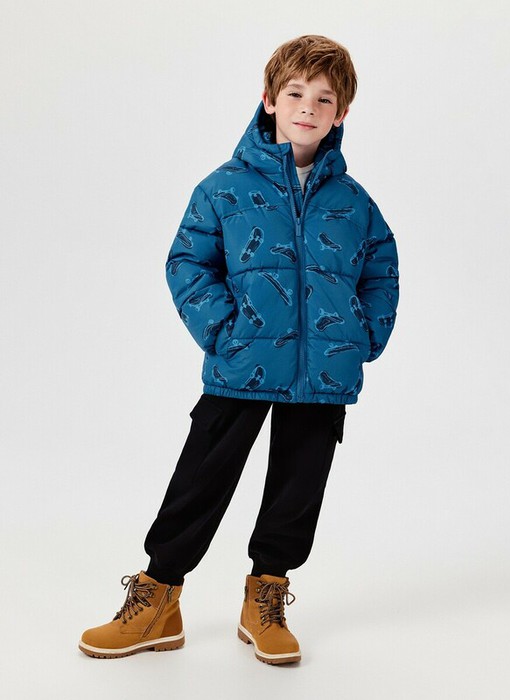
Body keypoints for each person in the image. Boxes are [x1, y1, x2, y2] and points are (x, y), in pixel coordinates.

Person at [78, 34, 400, 665]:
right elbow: (187, 262)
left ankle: (266, 596)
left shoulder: (354, 203)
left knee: (299, 485)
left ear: (342, 112)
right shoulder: (223, 189)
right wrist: (225, 330)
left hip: (323, 374)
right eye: (295, 93)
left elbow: (381, 272)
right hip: (241, 364)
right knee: (202, 475)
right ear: (270, 99)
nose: (308, 108)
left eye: (324, 99)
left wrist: (362, 337)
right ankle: (158, 596)